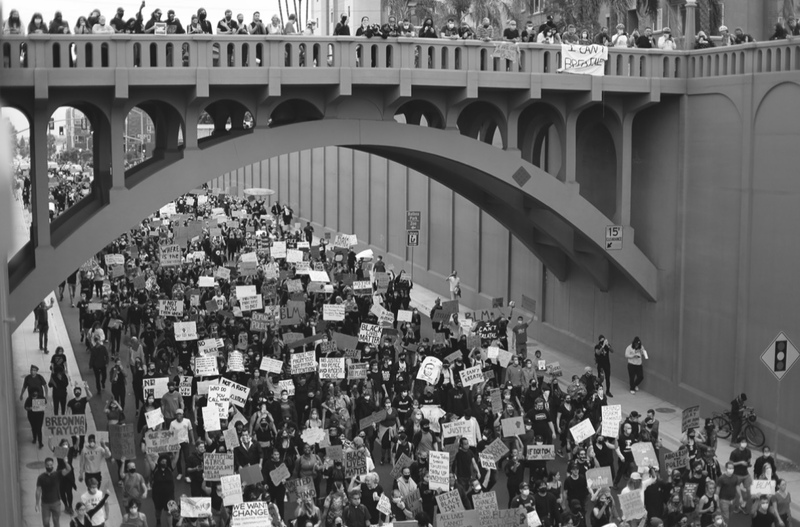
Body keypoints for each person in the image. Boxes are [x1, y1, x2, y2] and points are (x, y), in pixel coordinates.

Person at [36, 457, 63, 527]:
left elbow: (68, 469)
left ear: (53, 465)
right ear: (45, 465)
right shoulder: (41, 477)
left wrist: (65, 461)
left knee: (56, 521)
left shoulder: (57, 474)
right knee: (45, 522)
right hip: (45, 504)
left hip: (56, 502)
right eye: (48, 465)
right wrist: (37, 503)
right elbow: (38, 490)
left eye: (51, 465)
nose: (49, 467)